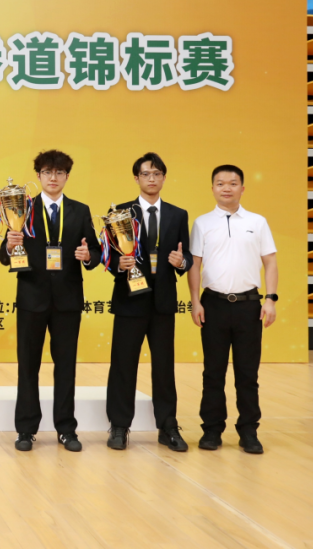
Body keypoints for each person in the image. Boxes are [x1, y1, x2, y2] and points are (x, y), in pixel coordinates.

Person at [1, 149, 101, 453]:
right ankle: (26, 429)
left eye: (59, 172)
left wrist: (88, 256)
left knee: (66, 366)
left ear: (67, 176)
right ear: (38, 176)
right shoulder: (22, 207)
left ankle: (66, 429)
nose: (53, 178)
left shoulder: (80, 210)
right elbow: (4, 256)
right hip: (31, 298)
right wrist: (10, 245)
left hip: (68, 301)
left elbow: (96, 252)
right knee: (27, 365)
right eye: (47, 172)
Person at [104, 152, 192, 452]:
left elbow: (187, 254)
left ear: (164, 178)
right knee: (123, 366)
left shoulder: (178, 214)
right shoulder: (120, 213)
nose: (151, 178)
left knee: (164, 368)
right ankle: (119, 426)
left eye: (156, 174)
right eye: (145, 174)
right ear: (136, 178)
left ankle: (168, 426)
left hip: (163, 302)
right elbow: (109, 255)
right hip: (130, 300)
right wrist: (119, 264)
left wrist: (182, 262)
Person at [189, 165, 278, 454]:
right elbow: (195, 265)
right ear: (212, 188)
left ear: (242, 188)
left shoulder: (257, 222)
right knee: (213, 372)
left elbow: (270, 262)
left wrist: (270, 299)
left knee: (247, 373)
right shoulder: (202, 223)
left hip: (249, 306)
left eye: (232, 183)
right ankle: (212, 430)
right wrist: (195, 301)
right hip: (213, 304)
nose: (226, 188)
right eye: (220, 183)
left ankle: (249, 431)